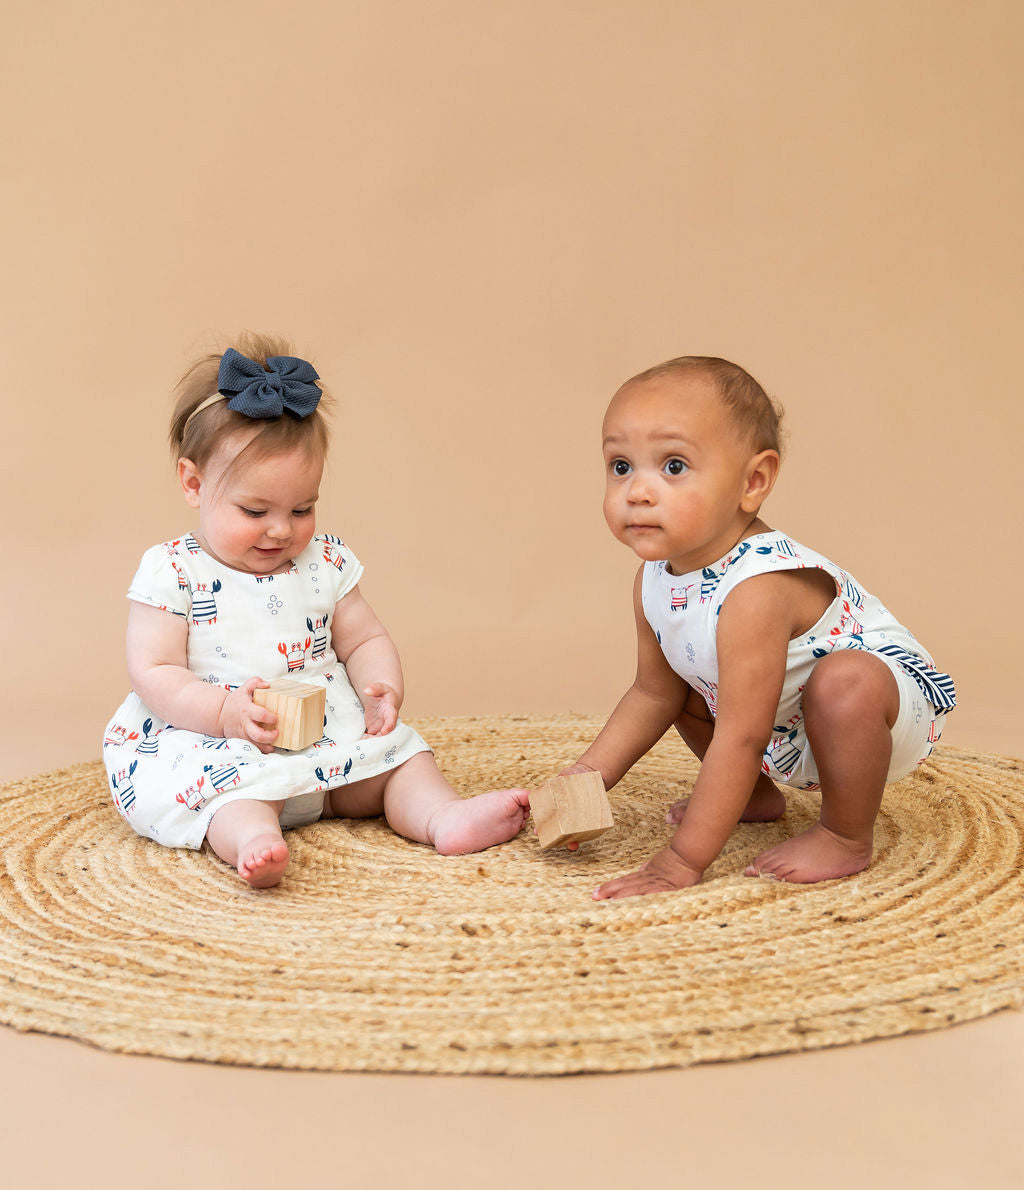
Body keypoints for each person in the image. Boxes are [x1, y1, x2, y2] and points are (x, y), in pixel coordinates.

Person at [103, 336, 529, 888]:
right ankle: (254, 840)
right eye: (255, 510)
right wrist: (224, 713)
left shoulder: (323, 561)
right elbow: (155, 671)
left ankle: (440, 817)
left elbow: (364, 639)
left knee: (403, 760)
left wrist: (383, 686)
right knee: (231, 800)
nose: (282, 529)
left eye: (302, 508)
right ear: (194, 482)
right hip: (224, 743)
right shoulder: (172, 572)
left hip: (331, 742)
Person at [563, 356, 955, 900]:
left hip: (878, 716)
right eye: (621, 466)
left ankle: (844, 834)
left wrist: (681, 861)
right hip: (787, 723)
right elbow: (653, 693)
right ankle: (754, 797)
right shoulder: (653, 579)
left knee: (843, 681)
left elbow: (742, 735)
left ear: (753, 482)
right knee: (683, 685)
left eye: (673, 466)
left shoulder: (756, 589)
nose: (638, 491)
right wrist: (583, 779)